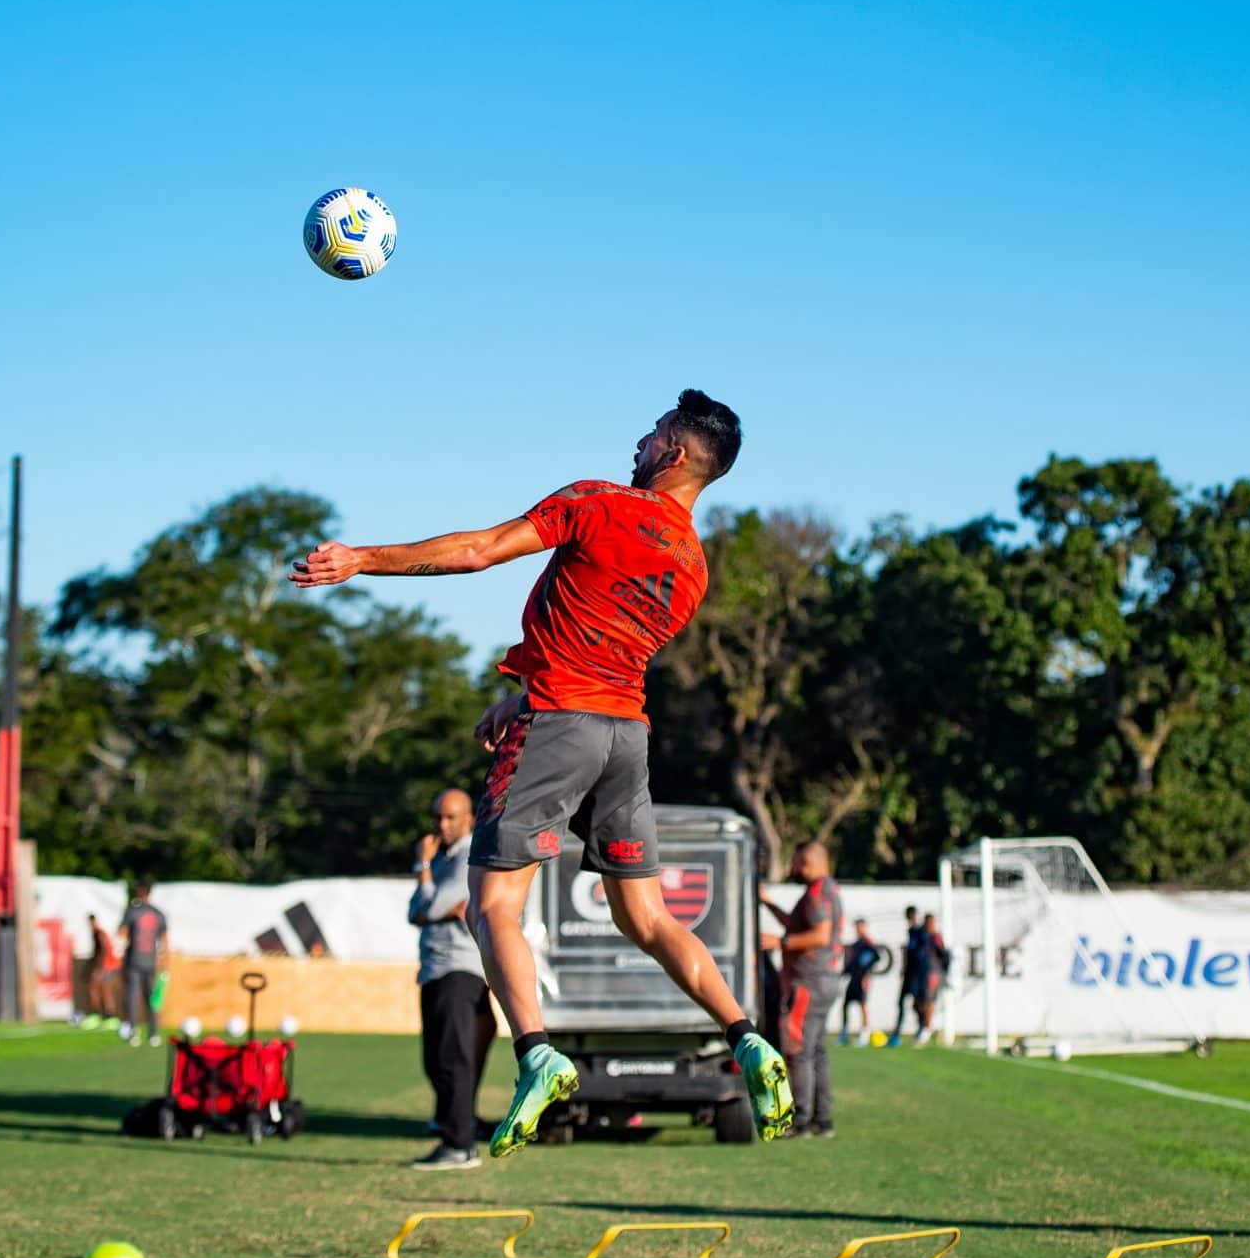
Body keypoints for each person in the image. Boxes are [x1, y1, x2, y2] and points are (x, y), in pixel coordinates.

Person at [291, 389, 794, 1156]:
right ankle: (747, 1035)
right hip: (625, 735)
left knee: (491, 904)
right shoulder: (693, 566)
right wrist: (521, 694)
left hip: (560, 724)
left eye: (654, 431)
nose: (639, 440)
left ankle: (536, 1051)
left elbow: (480, 550)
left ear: (675, 452)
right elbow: (604, 644)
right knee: (648, 919)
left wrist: (363, 559)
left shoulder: (600, 500)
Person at [406, 788, 497, 1170]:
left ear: (469, 819)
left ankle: (459, 1144)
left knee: (451, 1058)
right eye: (438, 818)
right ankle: (454, 1123)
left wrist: (422, 867)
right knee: (437, 1059)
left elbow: (430, 907)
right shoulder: (444, 859)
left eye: (450, 818)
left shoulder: (467, 857)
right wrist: (433, 904)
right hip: (436, 969)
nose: (442, 825)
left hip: (457, 970)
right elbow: (415, 912)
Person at [760, 842, 845, 1138]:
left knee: (798, 1052)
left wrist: (780, 943)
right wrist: (769, 904)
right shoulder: (828, 890)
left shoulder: (816, 894)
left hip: (808, 982)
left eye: (795, 863)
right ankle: (823, 1120)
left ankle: (801, 1121)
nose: (792, 869)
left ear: (808, 863)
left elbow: (819, 935)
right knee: (816, 1051)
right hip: (825, 980)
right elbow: (798, 926)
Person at [117, 880, 168, 1046]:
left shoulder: (132, 911)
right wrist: (165, 963)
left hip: (134, 961)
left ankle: (133, 1032)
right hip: (151, 962)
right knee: (152, 999)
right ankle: (154, 1034)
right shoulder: (159, 913)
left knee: (133, 997)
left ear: (140, 891)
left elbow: (122, 933)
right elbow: (165, 942)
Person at [910, 912, 951, 1044]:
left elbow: (944, 956)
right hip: (919, 974)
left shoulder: (936, 937)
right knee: (916, 1003)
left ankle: (926, 1030)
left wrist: (943, 972)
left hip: (932, 974)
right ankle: (922, 1025)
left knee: (928, 1001)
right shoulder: (921, 936)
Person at [841, 919, 878, 1046]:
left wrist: (865, 973)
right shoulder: (856, 944)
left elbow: (876, 957)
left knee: (862, 1004)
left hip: (863, 979)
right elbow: (853, 963)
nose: (858, 929)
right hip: (854, 979)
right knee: (846, 1005)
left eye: (860, 926)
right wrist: (845, 972)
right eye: (857, 927)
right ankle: (844, 1033)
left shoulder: (868, 943)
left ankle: (865, 1034)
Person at [888, 906, 921, 1045]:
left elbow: (921, 956)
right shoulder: (911, 932)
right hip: (908, 974)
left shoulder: (921, 932)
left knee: (916, 1004)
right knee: (901, 1003)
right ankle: (897, 1033)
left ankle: (922, 1030)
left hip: (916, 975)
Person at [85, 913, 121, 1020]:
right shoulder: (96, 932)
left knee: (101, 989)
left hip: (108, 965)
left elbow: (105, 950)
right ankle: (105, 1014)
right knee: (100, 988)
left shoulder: (99, 933)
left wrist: (100, 968)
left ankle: (106, 1014)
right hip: (107, 964)